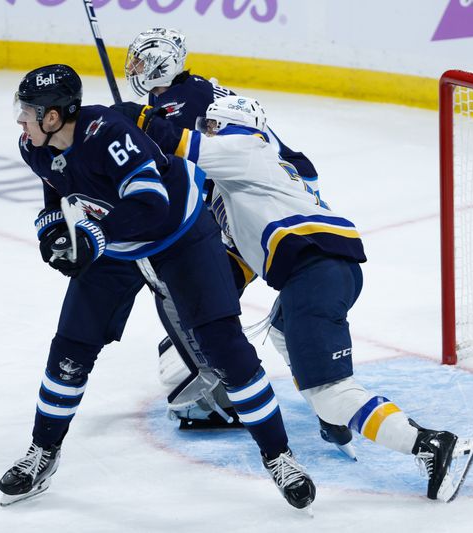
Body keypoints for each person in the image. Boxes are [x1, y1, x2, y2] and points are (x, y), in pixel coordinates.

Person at [121, 94, 473, 503]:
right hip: (318, 271)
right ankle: (335, 414)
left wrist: (137, 119)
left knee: (331, 392)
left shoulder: (246, 149)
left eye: (211, 126)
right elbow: (242, 261)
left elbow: (174, 139)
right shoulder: (238, 186)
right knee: (280, 331)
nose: (206, 132)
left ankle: (433, 445)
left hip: (316, 271)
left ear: (227, 127)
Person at [0, 64, 315, 510]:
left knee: (225, 348)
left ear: (54, 117)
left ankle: (280, 457)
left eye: (27, 111)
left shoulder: (109, 133)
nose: (20, 120)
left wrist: (93, 238)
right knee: (70, 347)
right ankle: (43, 451)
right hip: (116, 243)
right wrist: (52, 230)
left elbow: (150, 203)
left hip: (180, 236)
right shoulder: (35, 146)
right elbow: (55, 186)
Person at [119, 27, 355, 458]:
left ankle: (235, 385)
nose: (131, 70)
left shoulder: (182, 99)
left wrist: (125, 124)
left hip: (263, 210)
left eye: (138, 62)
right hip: (259, 204)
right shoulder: (187, 94)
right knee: (276, 315)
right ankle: (321, 399)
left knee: (188, 294)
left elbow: (172, 148)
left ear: (160, 63)